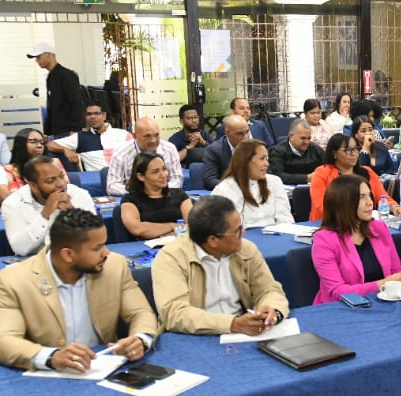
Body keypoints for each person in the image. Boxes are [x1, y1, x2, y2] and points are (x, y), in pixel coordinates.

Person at [0, 208, 157, 371]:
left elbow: (140, 313)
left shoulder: (114, 265)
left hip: (103, 366)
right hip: (49, 376)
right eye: (97, 248)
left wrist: (140, 339)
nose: (106, 253)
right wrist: (51, 356)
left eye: (104, 245)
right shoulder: (14, 280)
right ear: (68, 254)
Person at [152, 196, 288, 335]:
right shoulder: (171, 258)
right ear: (213, 240)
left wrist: (272, 310)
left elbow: (269, 290)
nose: (243, 233)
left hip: (242, 332)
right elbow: (174, 313)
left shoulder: (246, 250)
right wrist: (232, 324)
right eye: (237, 231)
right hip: (194, 335)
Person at [311, 174, 401, 304]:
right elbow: (337, 292)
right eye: (362, 197)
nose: (370, 202)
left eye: (369, 195)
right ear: (343, 202)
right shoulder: (324, 240)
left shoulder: (379, 228)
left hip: (382, 302)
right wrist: (383, 284)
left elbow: (396, 270)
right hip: (342, 308)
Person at [1, 155, 97, 256]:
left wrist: (72, 215)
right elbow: (20, 248)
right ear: (33, 186)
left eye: (61, 176)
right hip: (36, 261)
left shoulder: (79, 194)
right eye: (51, 181)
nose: (60, 184)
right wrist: (45, 214)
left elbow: (94, 238)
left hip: (78, 257)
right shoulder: (12, 204)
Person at [309, 134, 401, 221]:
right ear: (334, 153)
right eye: (347, 150)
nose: (354, 154)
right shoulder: (322, 173)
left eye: (355, 149)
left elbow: (383, 197)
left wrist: (394, 207)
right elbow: (321, 206)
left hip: (364, 223)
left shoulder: (367, 172)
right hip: (331, 224)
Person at [213, 139, 292, 228]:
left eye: (267, 159)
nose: (267, 164)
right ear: (245, 161)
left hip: (276, 233)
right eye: (262, 159)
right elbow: (228, 228)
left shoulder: (275, 181)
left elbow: (285, 218)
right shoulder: (225, 188)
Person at [119, 152, 193, 239]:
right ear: (141, 176)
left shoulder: (180, 195)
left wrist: (165, 234)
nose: (163, 175)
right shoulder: (129, 200)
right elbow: (136, 229)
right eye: (155, 172)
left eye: (164, 169)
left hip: (179, 243)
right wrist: (172, 226)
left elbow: (193, 226)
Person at [106, 117, 183, 196]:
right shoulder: (121, 153)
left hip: (164, 197)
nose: (153, 140)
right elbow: (112, 186)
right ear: (135, 136)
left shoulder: (170, 149)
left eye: (156, 135)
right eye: (147, 136)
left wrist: (158, 190)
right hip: (134, 198)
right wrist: (140, 192)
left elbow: (177, 180)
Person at [46, 102, 132, 172]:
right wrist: (65, 149)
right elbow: (50, 144)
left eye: (96, 113)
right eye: (89, 114)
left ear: (104, 115)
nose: (92, 117)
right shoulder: (80, 137)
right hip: (97, 179)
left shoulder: (122, 134)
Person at [28, 42, 86, 138]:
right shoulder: (51, 76)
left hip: (68, 131)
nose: (37, 61)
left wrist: (75, 129)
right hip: (58, 131)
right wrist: (48, 132)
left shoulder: (66, 75)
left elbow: (77, 103)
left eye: (38, 57)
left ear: (49, 55)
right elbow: (52, 106)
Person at [201, 114, 250, 191]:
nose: (245, 137)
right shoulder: (214, 150)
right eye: (240, 133)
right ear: (227, 133)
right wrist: (235, 186)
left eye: (247, 132)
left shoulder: (254, 147)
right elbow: (209, 181)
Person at [268, 118, 324, 185]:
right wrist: (306, 178)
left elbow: (328, 168)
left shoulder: (316, 149)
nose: (307, 142)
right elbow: (277, 176)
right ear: (291, 136)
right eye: (303, 138)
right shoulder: (277, 152)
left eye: (309, 138)